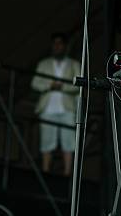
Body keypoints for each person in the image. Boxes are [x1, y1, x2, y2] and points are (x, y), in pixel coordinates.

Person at [31, 33, 80, 176]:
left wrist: (62, 87)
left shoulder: (74, 64)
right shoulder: (44, 64)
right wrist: (49, 85)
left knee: (69, 141)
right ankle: (46, 171)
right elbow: (35, 83)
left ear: (65, 46)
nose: (57, 47)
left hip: (68, 108)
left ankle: (68, 173)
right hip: (47, 107)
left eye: (60, 44)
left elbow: (79, 86)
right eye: (55, 44)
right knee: (47, 140)